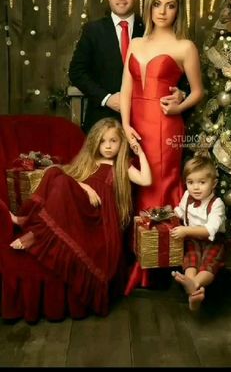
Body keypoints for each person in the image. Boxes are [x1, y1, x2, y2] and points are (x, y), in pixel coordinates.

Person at [9, 118, 152, 318]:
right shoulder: (90, 161)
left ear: (121, 143)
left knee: (60, 181)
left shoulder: (122, 166)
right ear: (96, 143)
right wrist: (85, 187)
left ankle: (34, 232)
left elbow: (146, 179)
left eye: (113, 141)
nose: (108, 146)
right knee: (54, 174)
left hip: (99, 217)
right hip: (79, 209)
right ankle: (31, 227)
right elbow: (68, 176)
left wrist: (139, 152)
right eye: (103, 141)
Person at [120, 0, 204, 212]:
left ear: (178, 10)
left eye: (170, 5)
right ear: (149, 7)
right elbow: (126, 89)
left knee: (160, 180)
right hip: (135, 124)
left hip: (165, 124)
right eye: (157, 4)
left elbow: (198, 92)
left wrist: (178, 108)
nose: (163, 11)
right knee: (137, 180)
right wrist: (125, 126)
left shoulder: (185, 47)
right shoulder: (135, 43)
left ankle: (164, 240)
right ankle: (140, 242)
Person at [68, 0, 184, 133]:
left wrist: (181, 94)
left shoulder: (150, 29)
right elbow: (76, 72)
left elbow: (177, 71)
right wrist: (107, 98)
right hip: (102, 123)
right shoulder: (93, 30)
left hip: (146, 123)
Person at [171, 156, 226, 311]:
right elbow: (180, 212)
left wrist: (185, 230)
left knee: (208, 264)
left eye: (202, 182)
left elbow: (209, 230)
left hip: (213, 240)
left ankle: (194, 284)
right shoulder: (188, 196)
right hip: (193, 239)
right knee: (190, 259)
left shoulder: (217, 204)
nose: (196, 187)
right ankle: (193, 293)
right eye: (190, 182)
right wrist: (170, 215)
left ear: (213, 184)